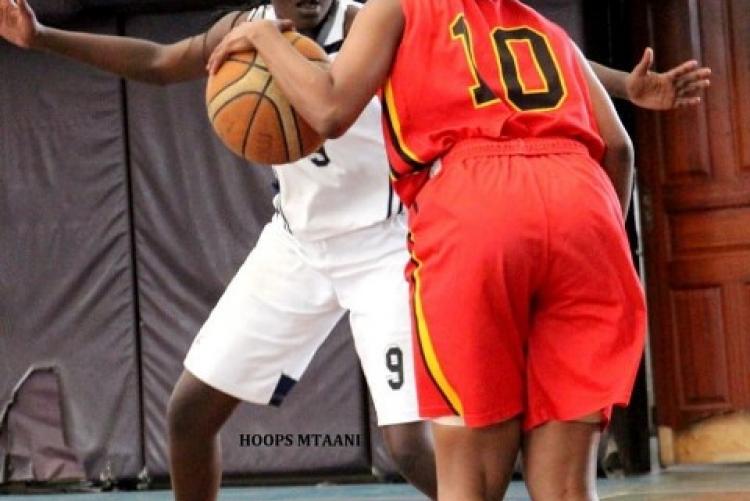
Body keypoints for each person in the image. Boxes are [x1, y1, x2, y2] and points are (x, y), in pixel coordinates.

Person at [0, 0, 709, 499]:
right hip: (299, 243)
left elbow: (499, 43)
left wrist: (621, 84)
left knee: (409, 446)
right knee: (188, 411)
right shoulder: (245, 28)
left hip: (395, 240)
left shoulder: (382, 14)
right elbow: (157, 60)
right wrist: (44, 37)